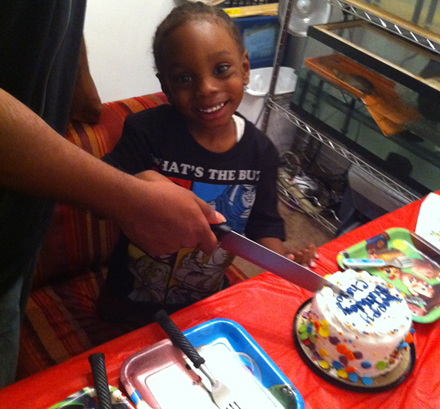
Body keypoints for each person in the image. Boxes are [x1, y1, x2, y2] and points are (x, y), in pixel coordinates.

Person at [0, 1, 223, 387]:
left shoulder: (258, 149)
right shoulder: (146, 131)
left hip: (15, 239)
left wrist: (77, 81)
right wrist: (128, 197)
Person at [97, 2, 318, 329]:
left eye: (221, 69)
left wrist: (284, 261)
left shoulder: (261, 153)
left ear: (245, 68)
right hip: (128, 305)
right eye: (184, 78)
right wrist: (137, 184)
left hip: (205, 305)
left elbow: (264, 227)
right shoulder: (145, 132)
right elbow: (99, 198)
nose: (206, 88)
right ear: (166, 86)